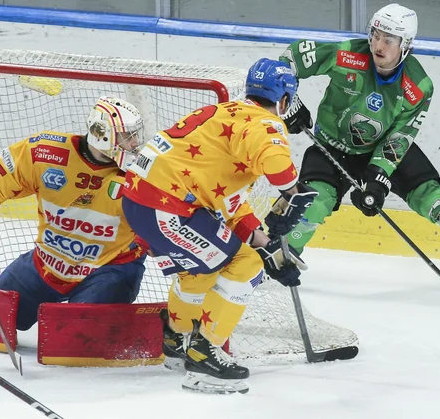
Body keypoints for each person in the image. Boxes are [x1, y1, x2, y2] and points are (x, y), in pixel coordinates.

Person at [279, 3, 440, 294]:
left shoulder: (418, 85)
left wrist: (378, 178)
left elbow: (400, 136)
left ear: (406, 46)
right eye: (376, 35)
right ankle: (280, 257)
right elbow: (291, 58)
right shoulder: (346, 54)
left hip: (383, 148)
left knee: (438, 205)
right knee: (311, 203)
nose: (378, 44)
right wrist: (286, 100)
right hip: (331, 147)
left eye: (389, 40)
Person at [121, 58, 318, 394]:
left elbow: (227, 200)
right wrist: (292, 193)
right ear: (284, 100)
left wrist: (265, 242)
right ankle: (204, 355)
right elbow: (275, 160)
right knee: (247, 264)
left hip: (140, 198)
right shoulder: (266, 123)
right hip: (165, 207)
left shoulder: (227, 113)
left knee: (201, 269)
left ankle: (175, 337)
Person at [0, 97, 149, 331]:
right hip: (47, 262)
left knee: (75, 339)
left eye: (135, 134)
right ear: (101, 133)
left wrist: (152, 239)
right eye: (127, 136)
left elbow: (165, 219)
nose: (135, 142)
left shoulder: (141, 173)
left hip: (110, 269)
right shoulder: (47, 152)